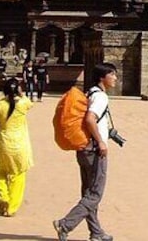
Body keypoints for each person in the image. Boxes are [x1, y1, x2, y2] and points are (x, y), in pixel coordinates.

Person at [54, 63, 119, 241]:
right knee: (95, 193)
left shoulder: (89, 92)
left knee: (88, 192)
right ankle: (65, 224)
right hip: (94, 149)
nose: (115, 78)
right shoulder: (100, 97)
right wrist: (101, 142)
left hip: (84, 148)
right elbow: (90, 119)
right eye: (112, 74)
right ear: (102, 77)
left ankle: (96, 232)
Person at [0, 77, 33, 217]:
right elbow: (29, 102)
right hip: (20, 144)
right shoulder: (24, 103)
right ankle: (11, 207)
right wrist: (20, 93)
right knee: (18, 175)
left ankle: (4, 198)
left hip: (3, 143)